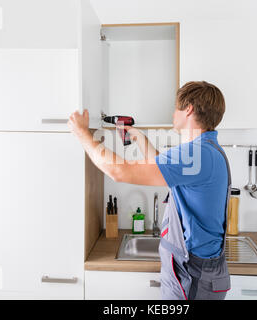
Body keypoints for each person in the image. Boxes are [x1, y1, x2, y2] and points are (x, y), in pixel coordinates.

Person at [68, 81, 231, 300]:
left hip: (194, 275)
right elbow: (160, 168)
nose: (173, 113)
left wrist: (82, 134)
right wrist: (139, 138)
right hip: (198, 272)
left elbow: (119, 171)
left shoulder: (196, 154)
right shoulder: (206, 152)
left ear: (189, 109)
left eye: (176, 108)